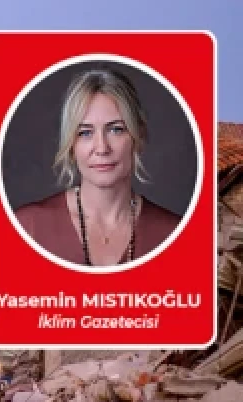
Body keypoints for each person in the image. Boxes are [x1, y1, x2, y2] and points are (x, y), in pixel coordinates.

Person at [12, 67, 181, 267]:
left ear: (139, 137)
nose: (101, 148)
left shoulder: (174, 231)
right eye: (85, 133)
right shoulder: (27, 227)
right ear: (71, 144)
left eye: (116, 129)